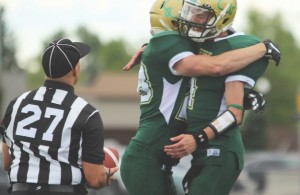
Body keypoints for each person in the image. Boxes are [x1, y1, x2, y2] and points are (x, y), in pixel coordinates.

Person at [120, 0, 280, 195]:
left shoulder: (180, 47)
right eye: (188, 14)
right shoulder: (167, 43)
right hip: (149, 156)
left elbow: (209, 94)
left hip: (166, 154)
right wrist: (263, 48)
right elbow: (216, 66)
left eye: (198, 14)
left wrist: (245, 96)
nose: (192, 20)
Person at [0, 38, 118, 195]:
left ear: (46, 72)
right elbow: (94, 179)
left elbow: (7, 163)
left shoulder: (16, 104)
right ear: (76, 69)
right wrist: (105, 176)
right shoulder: (86, 113)